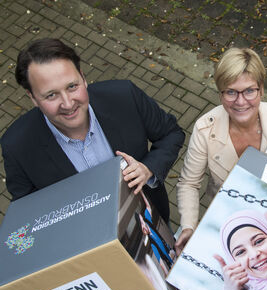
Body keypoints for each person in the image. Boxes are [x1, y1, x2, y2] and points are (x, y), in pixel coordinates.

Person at [1, 38, 184, 222]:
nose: (68, 103)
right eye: (51, 95)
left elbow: (171, 133)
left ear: (83, 77)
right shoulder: (17, 146)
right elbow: (27, 209)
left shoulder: (125, 96)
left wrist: (148, 168)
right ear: (32, 97)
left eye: (72, 86)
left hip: (150, 221)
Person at [175, 48, 267, 252]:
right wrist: (189, 227)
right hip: (226, 224)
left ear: (261, 89)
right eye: (230, 92)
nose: (240, 101)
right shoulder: (204, 129)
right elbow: (189, 183)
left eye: (249, 90)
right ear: (220, 93)